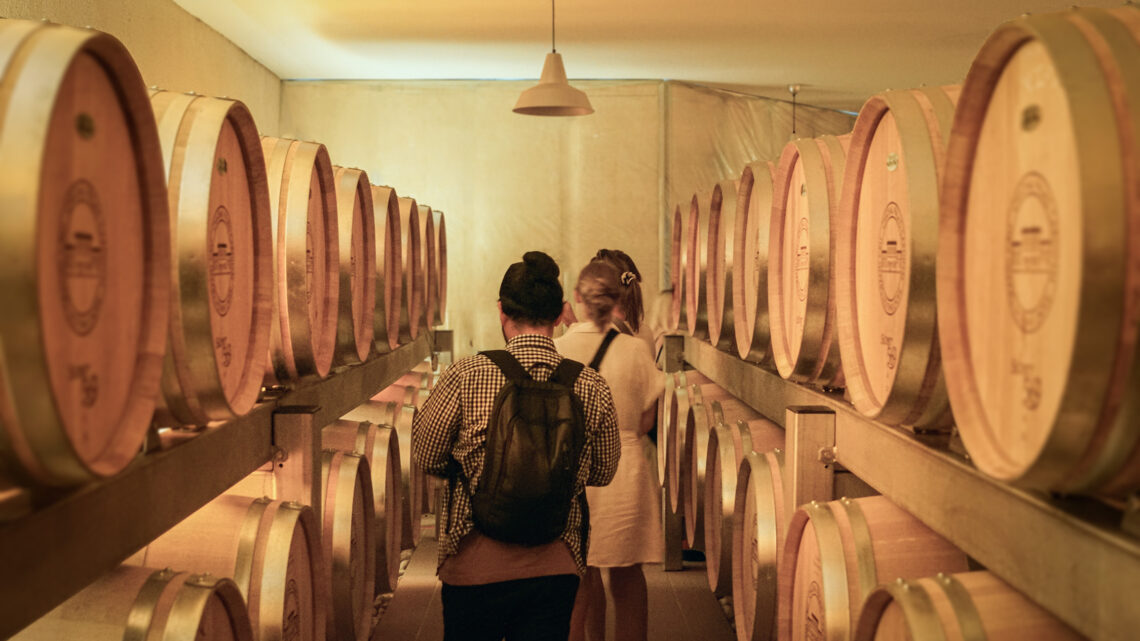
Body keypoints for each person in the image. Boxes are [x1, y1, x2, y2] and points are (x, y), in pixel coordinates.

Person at [412, 250, 621, 641]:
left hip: (474, 562)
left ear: (501, 310)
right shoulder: (591, 385)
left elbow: (426, 454)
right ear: (559, 314)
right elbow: (604, 471)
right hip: (555, 563)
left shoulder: (466, 374)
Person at [556, 259, 666, 641]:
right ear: (618, 298)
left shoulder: (559, 349)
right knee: (627, 575)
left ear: (577, 298)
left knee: (577, 576)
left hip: (574, 472)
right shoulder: (636, 350)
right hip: (624, 469)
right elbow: (647, 421)